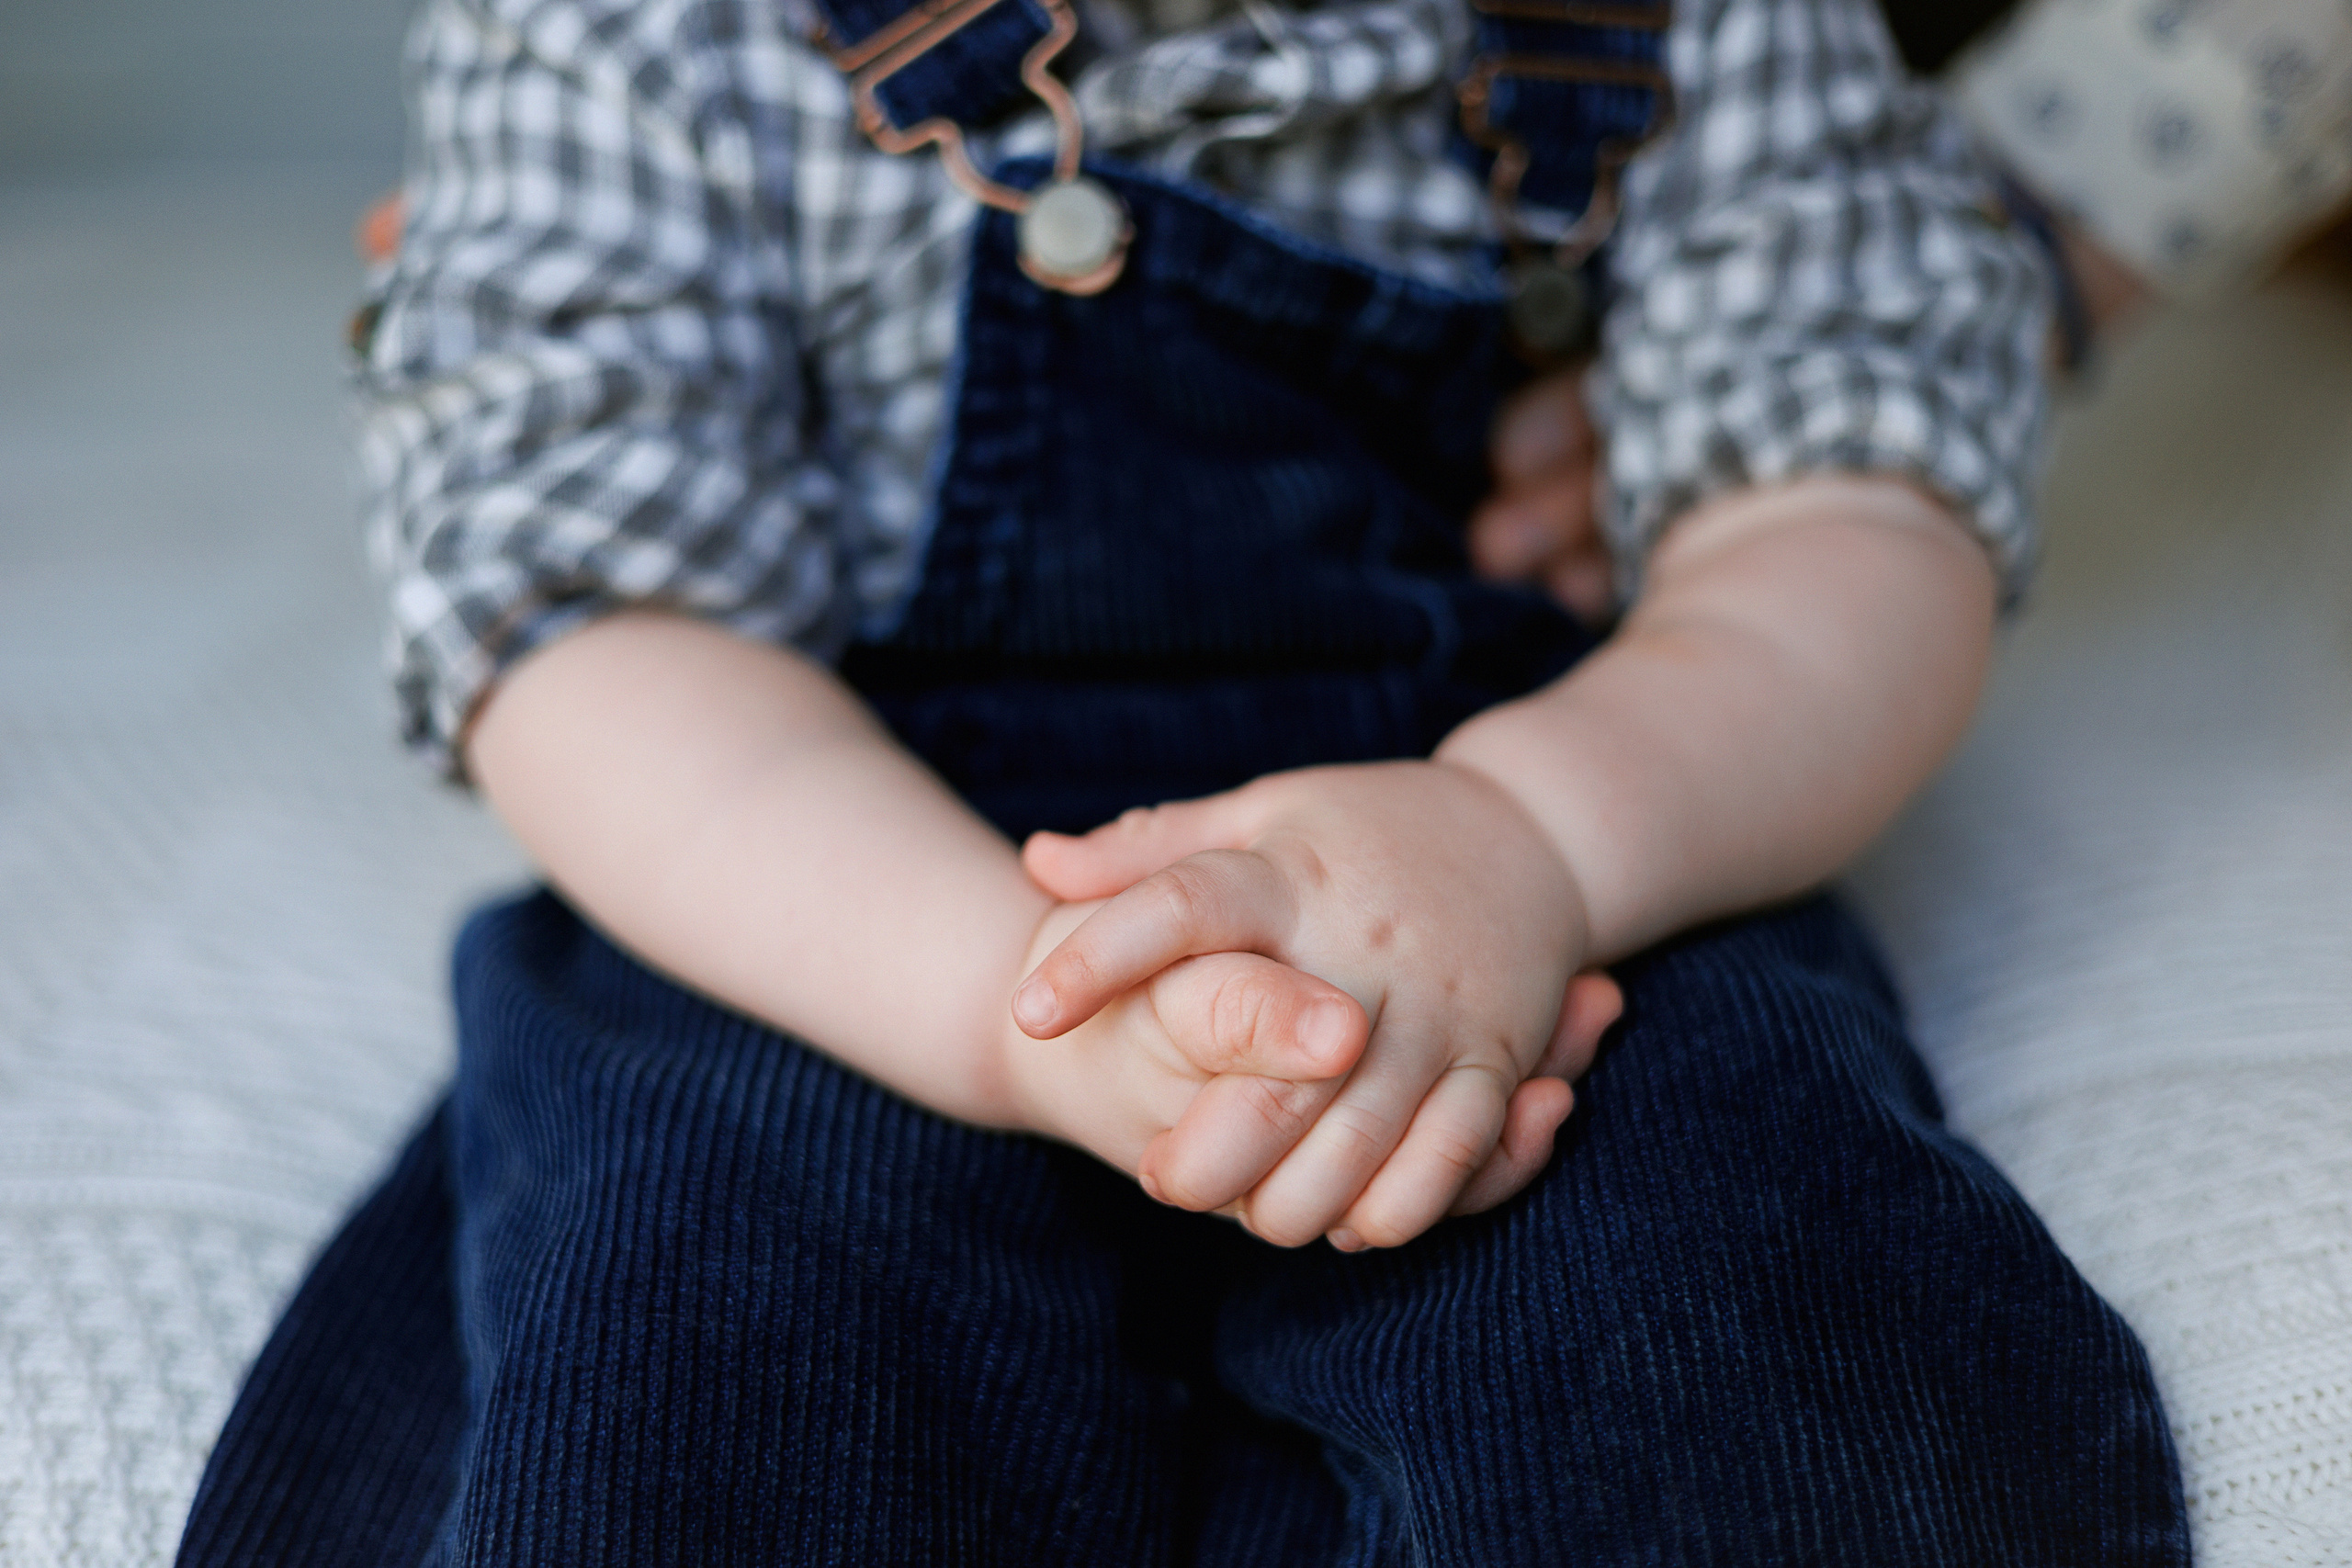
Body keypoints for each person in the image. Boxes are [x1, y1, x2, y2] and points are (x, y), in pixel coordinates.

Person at [177, 0, 2191, 1562]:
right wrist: (994, 995)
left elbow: (1846, 506)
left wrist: (1541, 827)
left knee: (1755, 1335)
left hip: (1528, 825)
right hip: (830, 840)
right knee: (705, 1346)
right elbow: (589, 619)